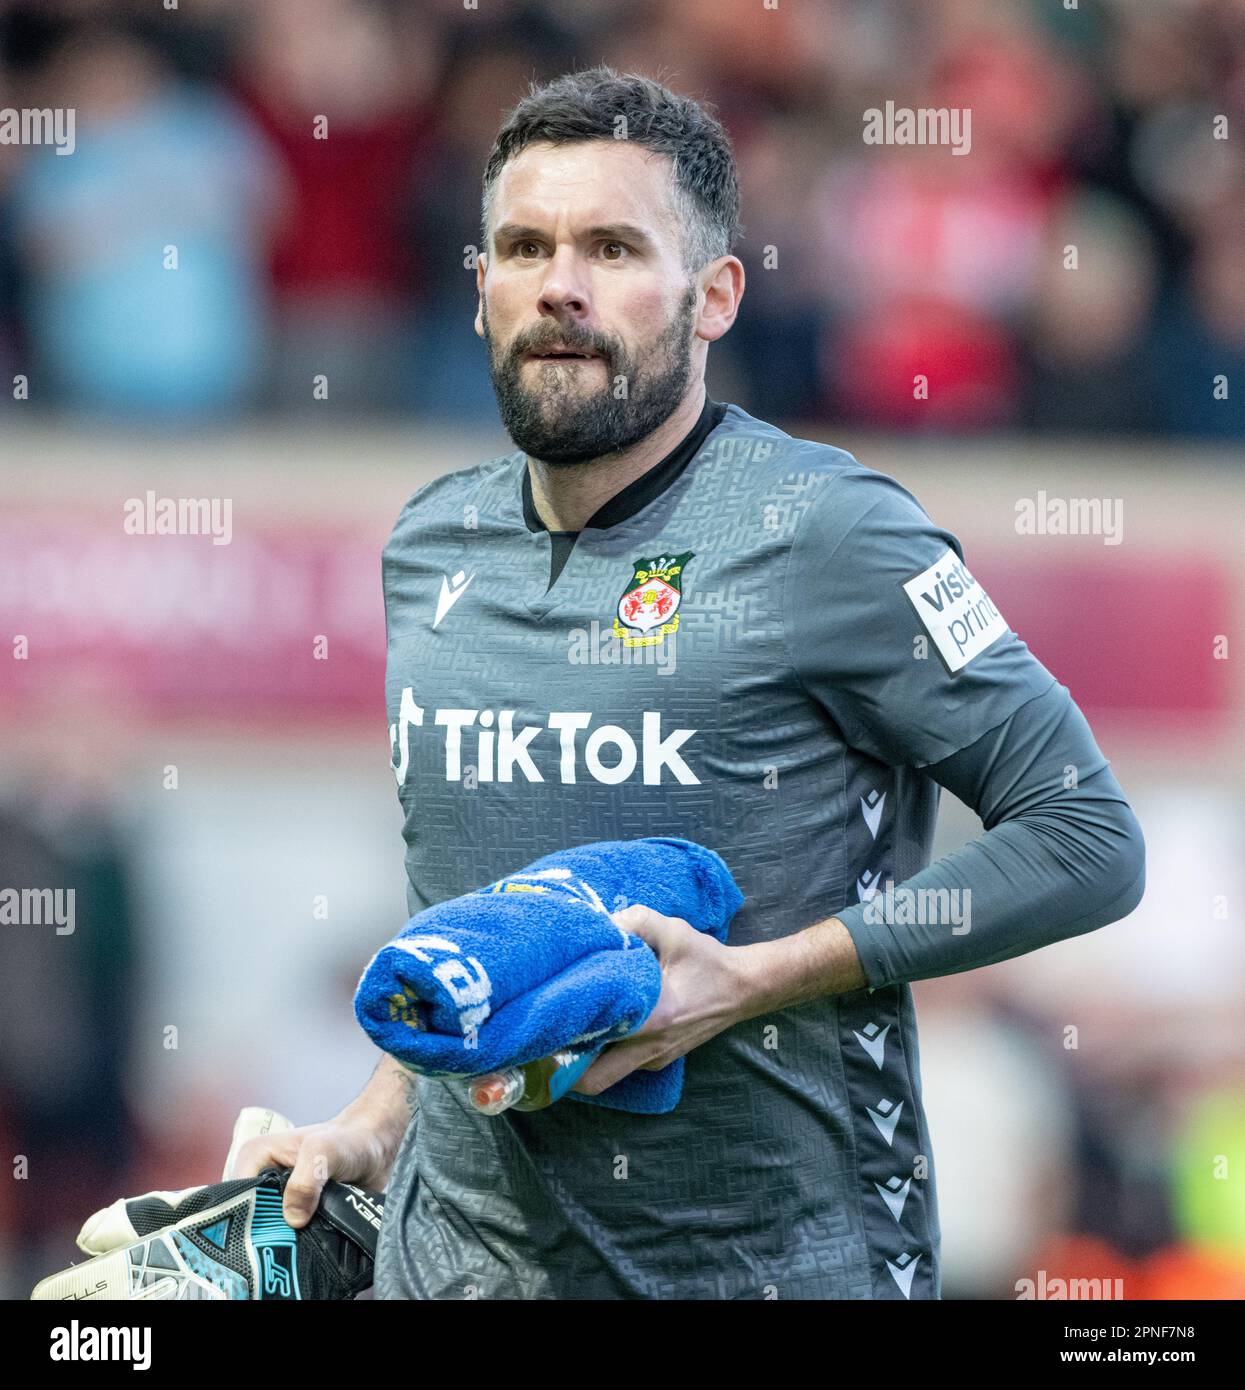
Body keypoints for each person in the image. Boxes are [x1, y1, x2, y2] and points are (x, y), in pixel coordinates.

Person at [235, 66, 1145, 1300]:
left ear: (714, 295)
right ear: (481, 290)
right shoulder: (428, 543)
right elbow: (475, 906)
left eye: (612, 247)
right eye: (524, 246)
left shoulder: (833, 534)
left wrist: (752, 982)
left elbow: (1087, 837)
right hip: (454, 1272)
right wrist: (373, 1119)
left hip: (776, 1269)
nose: (560, 284)